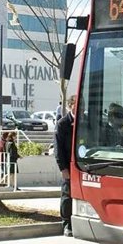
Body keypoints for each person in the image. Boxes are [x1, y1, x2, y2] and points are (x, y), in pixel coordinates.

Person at [54, 93, 76, 236]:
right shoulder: (62, 124)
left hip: (82, 164)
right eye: (77, 103)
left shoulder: (85, 121)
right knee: (67, 195)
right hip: (68, 165)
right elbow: (58, 149)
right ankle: (66, 224)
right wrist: (63, 168)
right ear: (70, 106)